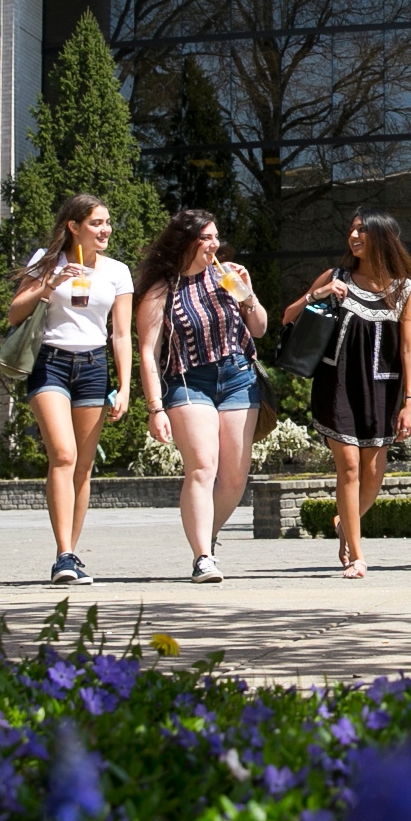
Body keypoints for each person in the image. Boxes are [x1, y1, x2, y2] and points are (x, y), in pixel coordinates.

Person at [133, 209, 269, 584]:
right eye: (206, 238)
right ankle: (203, 558)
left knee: (234, 480)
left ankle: (205, 533)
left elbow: (258, 328)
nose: (214, 244)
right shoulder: (162, 288)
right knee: (202, 467)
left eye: (216, 237)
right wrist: (154, 406)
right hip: (188, 381)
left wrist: (248, 293)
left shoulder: (226, 276)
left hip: (238, 376)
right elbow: (147, 352)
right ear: (186, 241)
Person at [284, 211, 411, 580]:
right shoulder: (336, 277)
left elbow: (409, 348)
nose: (354, 236)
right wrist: (319, 293)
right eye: (351, 229)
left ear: (383, 236)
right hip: (337, 384)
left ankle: (346, 524)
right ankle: (357, 556)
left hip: (383, 388)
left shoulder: (405, 289)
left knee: (374, 473)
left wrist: (410, 399)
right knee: (348, 467)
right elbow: (288, 317)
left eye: (362, 229)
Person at [8, 193, 133, 587]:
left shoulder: (117, 272)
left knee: (83, 465)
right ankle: (63, 553)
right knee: (62, 454)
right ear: (73, 227)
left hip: (94, 366)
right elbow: (14, 312)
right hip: (50, 363)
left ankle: (72, 554)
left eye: (107, 222)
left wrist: (126, 387)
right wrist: (48, 283)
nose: (105, 229)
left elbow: (122, 334)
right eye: (96, 223)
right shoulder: (47, 260)